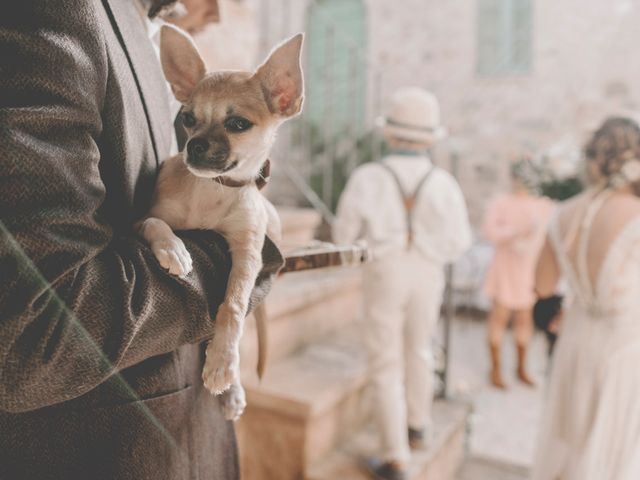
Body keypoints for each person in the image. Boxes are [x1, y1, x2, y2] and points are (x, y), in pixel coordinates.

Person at [0, 1, 282, 479]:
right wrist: (244, 251)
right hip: (104, 454)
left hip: (189, 429)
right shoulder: (53, 12)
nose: (214, 10)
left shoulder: (142, 28)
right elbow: (35, 337)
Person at [334, 87, 472, 480]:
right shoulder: (443, 182)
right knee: (420, 349)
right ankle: (419, 424)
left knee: (384, 360)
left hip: (385, 269)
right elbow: (460, 241)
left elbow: (346, 231)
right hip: (428, 271)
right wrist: (431, 251)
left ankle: (395, 456)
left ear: (390, 135)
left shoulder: (369, 176)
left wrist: (371, 247)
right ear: (429, 138)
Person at [532, 117, 640, 480]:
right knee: (614, 453)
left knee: (570, 444)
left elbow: (543, 287)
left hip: (575, 342)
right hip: (625, 345)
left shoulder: (563, 213)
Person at [482, 164, 553, 389]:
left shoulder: (543, 206)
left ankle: (521, 367)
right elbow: (490, 231)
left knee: (524, 318)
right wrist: (515, 233)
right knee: (499, 316)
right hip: (505, 265)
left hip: (528, 267)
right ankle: (495, 368)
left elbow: (549, 234)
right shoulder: (501, 203)